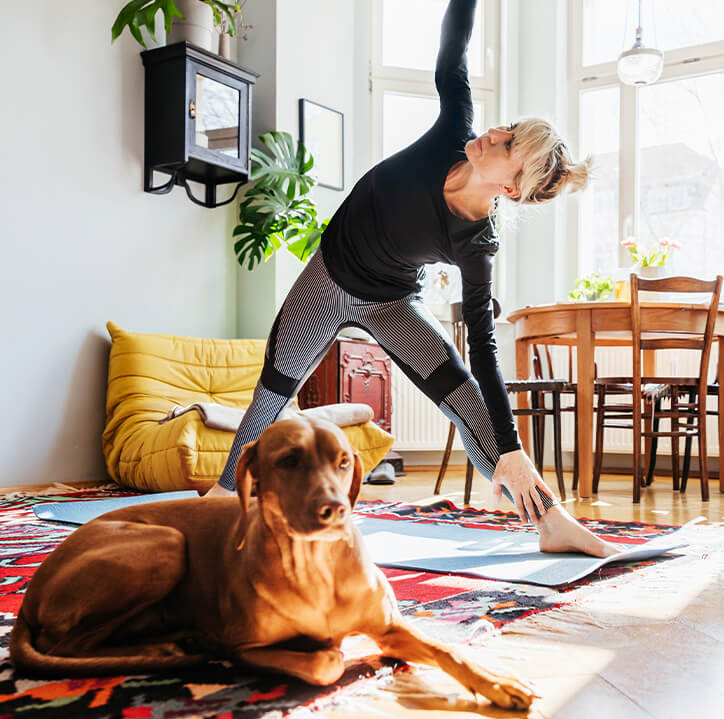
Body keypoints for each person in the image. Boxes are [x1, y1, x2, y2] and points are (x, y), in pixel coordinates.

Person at [208, 0, 619, 558]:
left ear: (513, 188)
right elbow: (453, 53)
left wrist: (513, 450)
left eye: (507, 145)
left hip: (392, 303)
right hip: (328, 280)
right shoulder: (455, 129)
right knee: (273, 393)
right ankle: (219, 497)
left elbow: (485, 346)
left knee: (468, 397)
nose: (495, 133)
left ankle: (551, 520)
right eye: (508, 128)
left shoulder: (477, 243)